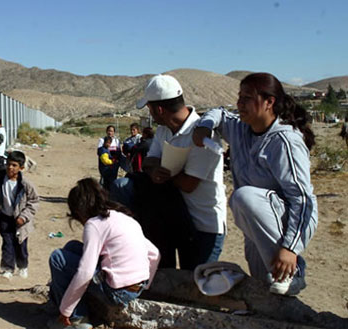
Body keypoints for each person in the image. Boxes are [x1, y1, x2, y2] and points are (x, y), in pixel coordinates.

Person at [193, 72, 318, 296]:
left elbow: (303, 200)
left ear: (269, 102)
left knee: (243, 197)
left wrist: (290, 249)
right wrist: (205, 126)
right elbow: (220, 114)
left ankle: (294, 271)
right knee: (266, 288)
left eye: (247, 98)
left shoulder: (284, 141)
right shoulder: (241, 128)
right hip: (257, 227)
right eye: (239, 97)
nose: (240, 103)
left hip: (288, 222)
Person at [111, 74, 227, 270]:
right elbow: (150, 161)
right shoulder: (165, 131)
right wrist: (156, 169)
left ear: (159, 109)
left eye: (150, 110)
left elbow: (189, 185)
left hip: (204, 227)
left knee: (196, 285)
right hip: (173, 218)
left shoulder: (204, 136)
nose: (151, 115)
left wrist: (165, 173)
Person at [48, 178, 160, 329]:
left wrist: (65, 310)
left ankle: (77, 319)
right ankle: (72, 305)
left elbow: (85, 273)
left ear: (79, 211)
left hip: (117, 292)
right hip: (137, 287)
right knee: (72, 247)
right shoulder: (123, 218)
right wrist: (145, 285)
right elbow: (154, 253)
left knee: (57, 258)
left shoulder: (94, 224)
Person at [0, 151, 39, 279]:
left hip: (21, 221)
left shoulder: (25, 184)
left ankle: (22, 267)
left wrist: (23, 217)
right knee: (7, 244)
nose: (10, 168)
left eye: (14, 165)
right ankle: (7, 269)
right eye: (9, 164)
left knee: (21, 245)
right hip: (4, 217)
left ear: (21, 168)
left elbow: (34, 201)